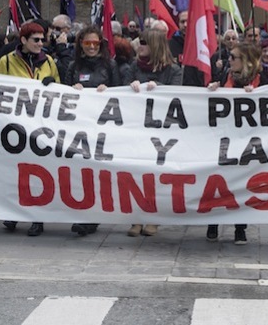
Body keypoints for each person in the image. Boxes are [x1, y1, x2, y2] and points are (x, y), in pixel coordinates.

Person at [0, 21, 60, 236]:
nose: (41, 43)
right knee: (14, 171)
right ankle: (13, 213)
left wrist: (54, 84)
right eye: (36, 40)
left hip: (41, 127)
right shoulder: (6, 61)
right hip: (15, 126)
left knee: (37, 172)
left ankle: (36, 217)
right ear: (23, 40)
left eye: (43, 39)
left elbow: (60, 91)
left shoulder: (48, 61)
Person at [205, 42, 268, 245]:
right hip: (225, 139)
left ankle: (240, 228)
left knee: (242, 184)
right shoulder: (226, 75)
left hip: (249, 140)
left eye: (233, 57)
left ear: (246, 61)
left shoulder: (263, 79)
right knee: (219, 181)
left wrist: (263, 92)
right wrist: (213, 88)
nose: (229, 60)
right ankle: (213, 224)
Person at [66, 26, 121, 236]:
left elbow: (121, 92)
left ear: (100, 45)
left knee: (99, 173)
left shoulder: (110, 65)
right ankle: (83, 214)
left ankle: (93, 217)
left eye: (95, 44)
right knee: (81, 172)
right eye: (87, 43)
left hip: (103, 128)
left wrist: (109, 91)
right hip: (79, 127)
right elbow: (62, 92)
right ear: (81, 44)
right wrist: (72, 88)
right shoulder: (73, 66)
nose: (91, 47)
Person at [128, 29, 182, 238]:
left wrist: (159, 88)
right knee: (136, 174)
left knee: (156, 175)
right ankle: (136, 218)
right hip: (137, 128)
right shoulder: (134, 67)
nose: (139, 45)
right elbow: (119, 91)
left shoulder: (173, 70)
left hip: (161, 131)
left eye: (143, 42)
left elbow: (177, 94)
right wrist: (129, 87)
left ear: (155, 45)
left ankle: (153, 217)